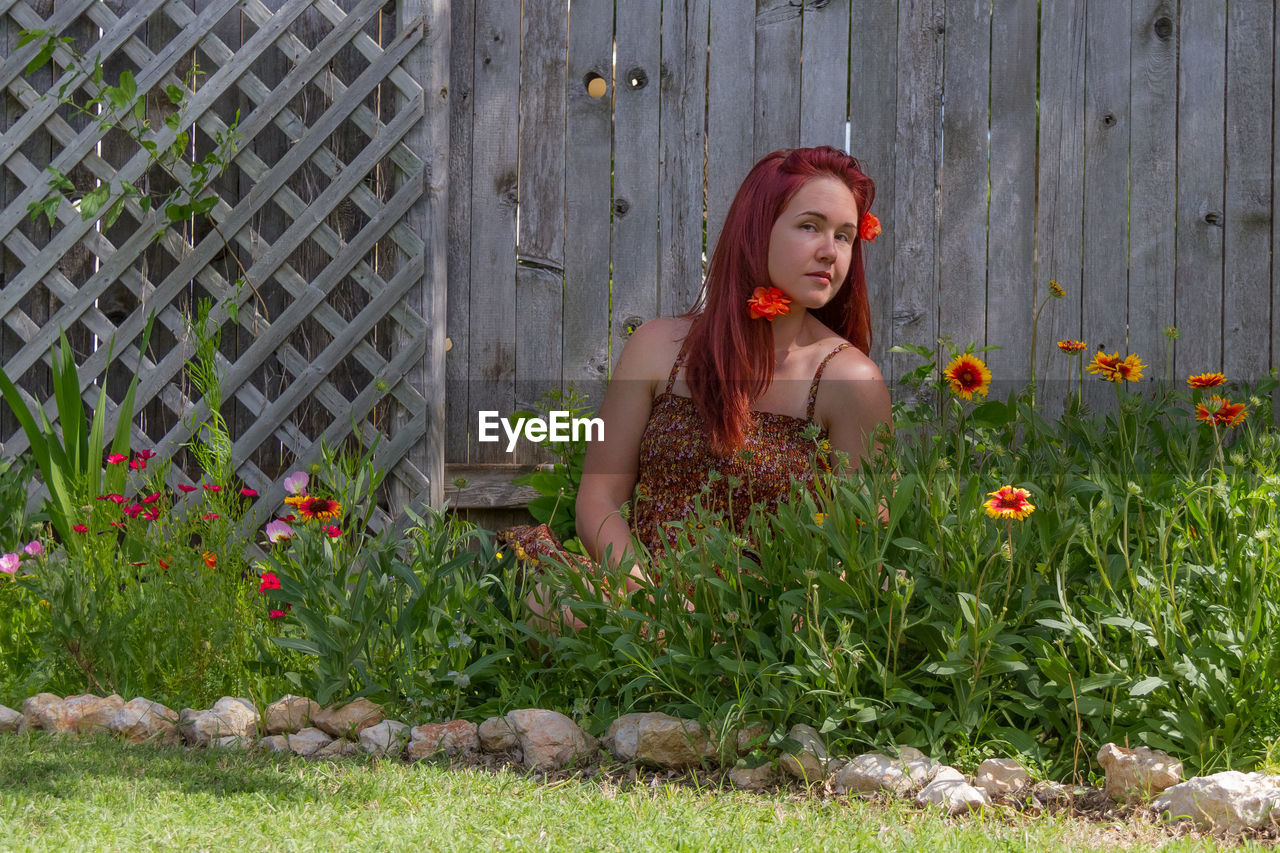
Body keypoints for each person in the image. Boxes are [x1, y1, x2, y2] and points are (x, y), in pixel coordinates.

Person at [504, 146, 892, 617]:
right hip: (640, 599)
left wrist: (762, 625)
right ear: (757, 230)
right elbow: (599, 501)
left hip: (764, 624)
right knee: (544, 595)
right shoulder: (657, 348)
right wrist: (655, 603)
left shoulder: (850, 379)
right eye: (809, 226)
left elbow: (860, 544)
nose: (830, 251)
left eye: (845, 236)